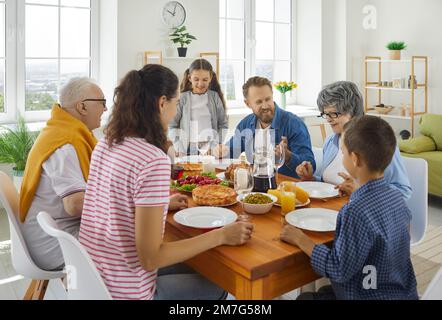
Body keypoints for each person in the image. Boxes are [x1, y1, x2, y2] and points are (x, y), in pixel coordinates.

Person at [79, 64, 254, 300]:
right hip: (129, 293)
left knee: (199, 264)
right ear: (162, 103)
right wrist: (221, 235)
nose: (176, 110)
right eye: (177, 102)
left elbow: (115, 203)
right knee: (223, 283)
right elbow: (151, 258)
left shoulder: (106, 143)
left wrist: (159, 203)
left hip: (93, 281)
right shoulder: (153, 160)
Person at [281, 116, 418, 300]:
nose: (342, 155)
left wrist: (300, 239)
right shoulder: (397, 198)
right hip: (401, 293)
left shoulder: (355, 210)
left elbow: (338, 269)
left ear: (354, 159)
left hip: (365, 295)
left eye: (343, 152)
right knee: (322, 293)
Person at [19, 78, 107, 271]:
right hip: (55, 243)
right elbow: (75, 205)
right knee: (136, 241)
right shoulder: (66, 144)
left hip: (54, 232)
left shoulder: (59, 131)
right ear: (82, 107)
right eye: (102, 103)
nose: (105, 110)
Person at [296, 81, 412, 199]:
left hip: (362, 213)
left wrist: (361, 191)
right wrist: (311, 179)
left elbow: (403, 192)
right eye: (325, 114)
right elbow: (329, 185)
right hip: (332, 210)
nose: (328, 120)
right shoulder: (331, 141)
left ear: (353, 111)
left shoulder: (379, 142)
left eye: (334, 114)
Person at [216, 76, 315, 179]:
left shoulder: (294, 124)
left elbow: (311, 165)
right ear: (248, 103)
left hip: (285, 187)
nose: (265, 106)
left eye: (268, 99)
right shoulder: (246, 124)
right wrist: (221, 150)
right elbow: (230, 150)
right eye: (259, 102)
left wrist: (288, 156)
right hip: (256, 185)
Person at [169, 58, 228, 155]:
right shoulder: (183, 98)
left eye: (205, 79)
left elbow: (223, 124)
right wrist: (178, 146)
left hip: (210, 150)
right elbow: (172, 126)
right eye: (196, 79)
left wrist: (216, 145)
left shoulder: (214, 97)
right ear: (189, 78)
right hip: (186, 150)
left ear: (210, 78)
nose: (200, 84)